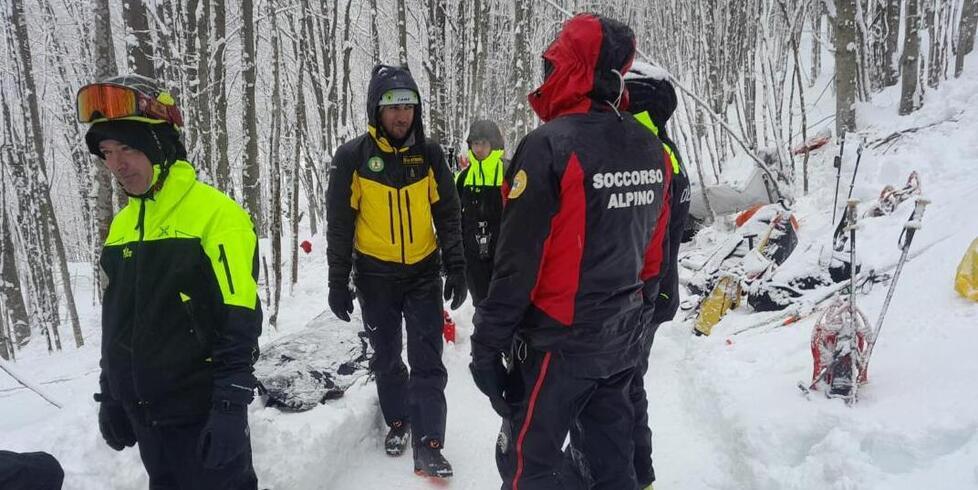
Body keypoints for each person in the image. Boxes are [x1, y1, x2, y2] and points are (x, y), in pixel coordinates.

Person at [469, 13, 671, 490]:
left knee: (528, 470)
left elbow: (516, 265)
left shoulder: (549, 147)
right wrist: (633, 324)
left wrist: (486, 347)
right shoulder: (650, 148)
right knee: (611, 469)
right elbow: (653, 261)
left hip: (558, 348)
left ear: (568, 68)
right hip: (619, 343)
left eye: (551, 64)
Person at [79, 74, 262, 489]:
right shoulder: (121, 228)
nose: (116, 164)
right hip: (147, 418)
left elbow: (242, 318)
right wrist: (111, 391)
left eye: (127, 147)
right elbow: (117, 322)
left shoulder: (217, 216)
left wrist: (231, 406)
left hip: (204, 414)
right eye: (107, 152)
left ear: (160, 145)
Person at [326, 63, 466, 478]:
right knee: (387, 356)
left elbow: (448, 213)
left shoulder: (431, 154)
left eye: (407, 106)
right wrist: (337, 280)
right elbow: (339, 224)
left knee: (428, 359)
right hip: (374, 276)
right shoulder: (353, 157)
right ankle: (399, 420)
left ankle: (430, 443)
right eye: (391, 107)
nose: (401, 116)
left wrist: (456, 265)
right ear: (376, 110)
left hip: (423, 271)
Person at [455, 120, 507, 306]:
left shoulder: (509, 172)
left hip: (504, 257)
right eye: (475, 143)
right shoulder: (462, 178)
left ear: (494, 144)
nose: (479, 148)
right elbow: (454, 217)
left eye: (484, 143)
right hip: (473, 258)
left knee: (505, 307)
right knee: (481, 306)